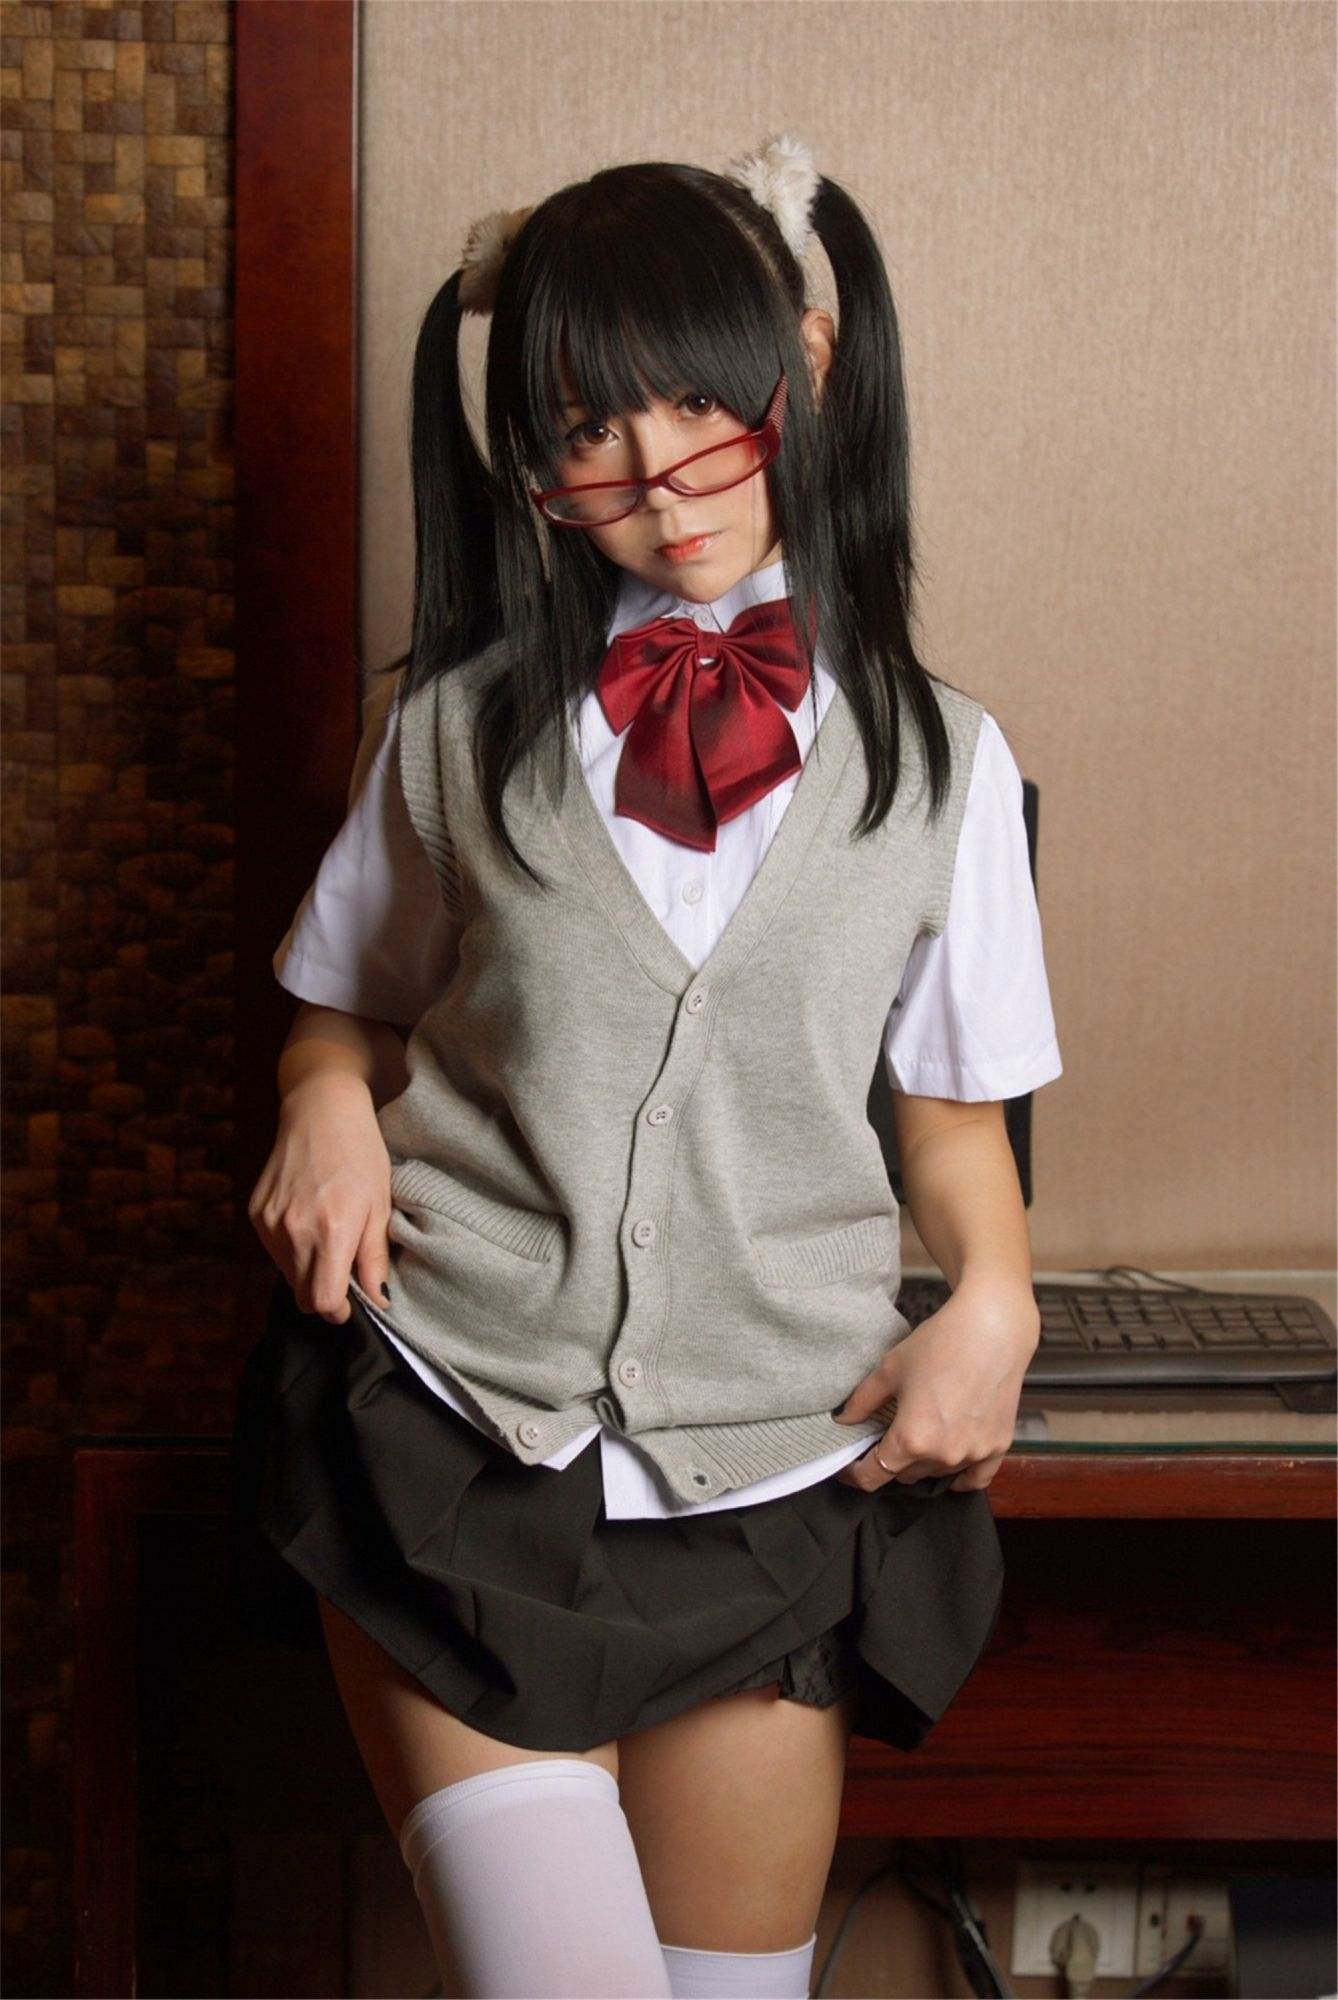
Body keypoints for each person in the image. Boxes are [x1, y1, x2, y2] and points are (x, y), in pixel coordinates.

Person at [229, 130, 1062, 1999]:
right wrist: (323, 1106)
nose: (658, 480)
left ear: (807, 365)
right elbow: (343, 1007)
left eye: (699, 400)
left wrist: (994, 1302)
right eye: (586, 431)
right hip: (460, 1434)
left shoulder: (947, 764)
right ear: (525, 460)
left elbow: (952, 1116)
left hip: (770, 1476)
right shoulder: (444, 731)